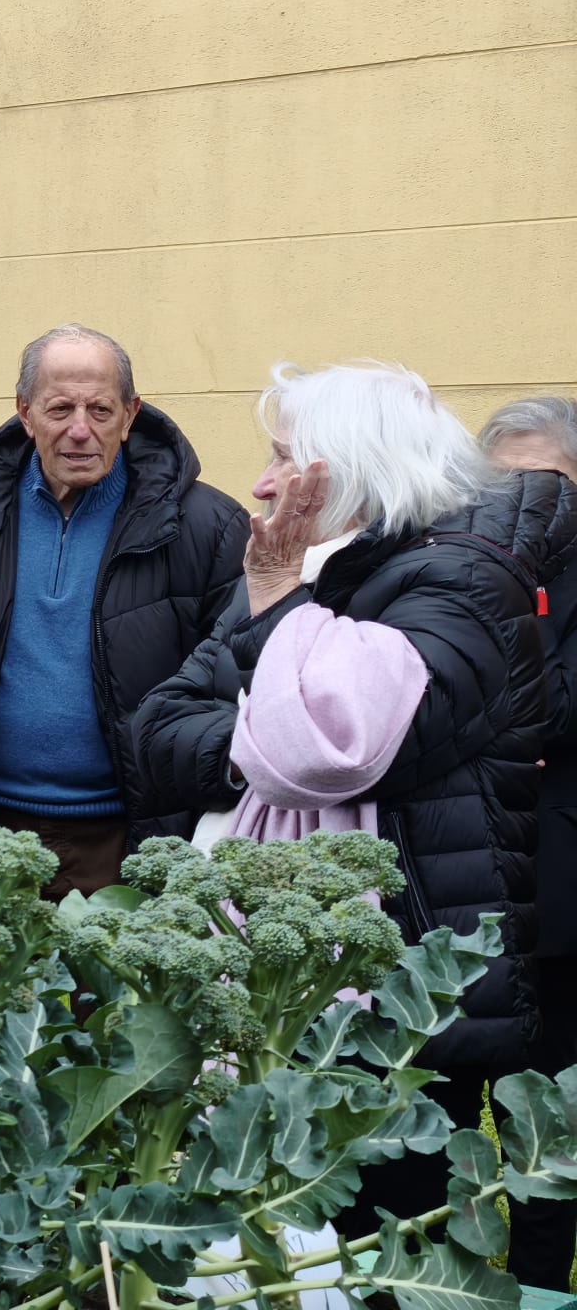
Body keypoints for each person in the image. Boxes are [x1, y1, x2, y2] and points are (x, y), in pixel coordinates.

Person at [131, 362, 576, 1244]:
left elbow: (340, 751)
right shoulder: (307, 575)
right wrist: (266, 740)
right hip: (303, 967)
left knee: (398, 1232)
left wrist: (272, 657)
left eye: (287, 457)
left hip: (415, 985)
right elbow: (156, 728)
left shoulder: (461, 583)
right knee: (300, 1225)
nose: (261, 482)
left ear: (355, 467)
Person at [0, 323, 248, 896]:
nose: (80, 431)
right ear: (25, 413)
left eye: (101, 410)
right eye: (59, 409)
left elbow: (231, 688)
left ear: (131, 415)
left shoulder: (208, 528)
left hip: (131, 841)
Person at [477, 396, 577, 1290]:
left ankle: (543, 1286)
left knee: (548, 1116)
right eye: (508, 485)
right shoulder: (467, 568)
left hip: (561, 895)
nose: (531, 504)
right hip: (464, 885)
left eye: (549, 482)